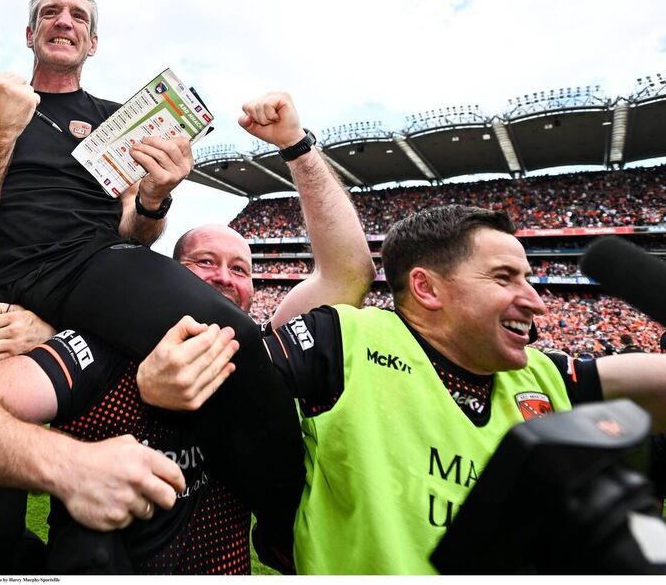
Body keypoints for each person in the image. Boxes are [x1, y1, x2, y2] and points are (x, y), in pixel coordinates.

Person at [0, 91, 375, 573]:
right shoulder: (102, 346)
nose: (222, 277)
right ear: (167, 278)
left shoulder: (262, 346)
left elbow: (349, 275)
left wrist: (297, 146)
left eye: (241, 269)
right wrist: (71, 459)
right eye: (204, 263)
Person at [0, 0, 322, 554]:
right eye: (49, 13)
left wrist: (155, 194)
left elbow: (136, 232)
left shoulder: (116, 118)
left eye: (77, 16)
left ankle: (280, 529)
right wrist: (1, 129)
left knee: (227, 338)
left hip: (87, 266)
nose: (63, 21)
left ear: (92, 42)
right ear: (30, 34)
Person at [139, 204, 666, 574]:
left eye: (529, 278)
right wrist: (164, 374)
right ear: (426, 288)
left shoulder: (543, 374)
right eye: (505, 277)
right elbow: (238, 373)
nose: (536, 301)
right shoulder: (345, 338)